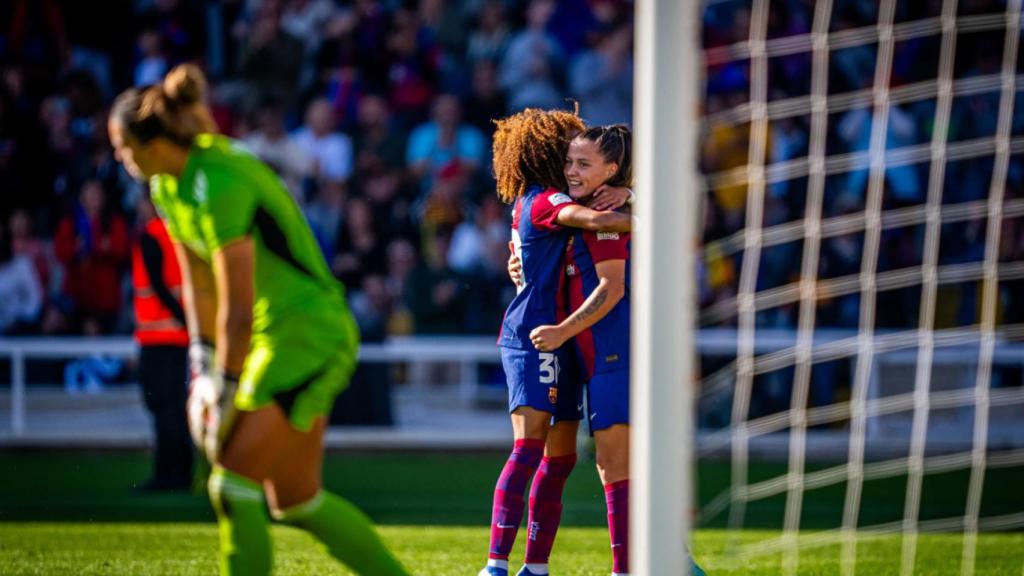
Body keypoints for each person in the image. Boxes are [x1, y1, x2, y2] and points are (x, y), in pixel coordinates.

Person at [109, 64, 408, 576]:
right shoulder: (167, 188)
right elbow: (199, 286)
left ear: (150, 142)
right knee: (295, 499)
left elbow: (238, 306)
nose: (119, 157)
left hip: (306, 333)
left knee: (230, 483)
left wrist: (223, 385)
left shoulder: (219, 179)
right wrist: (202, 372)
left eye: (122, 145)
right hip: (284, 336)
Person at [524, 126, 706, 576]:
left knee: (614, 461)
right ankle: (668, 558)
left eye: (583, 164)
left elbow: (611, 288)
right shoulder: (578, 211)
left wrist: (563, 331)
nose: (571, 171)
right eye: (569, 162)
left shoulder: (612, 212)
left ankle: (641, 565)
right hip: (594, 355)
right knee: (616, 463)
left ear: (612, 170)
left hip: (613, 352)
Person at [479, 108, 631, 576]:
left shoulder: (535, 204)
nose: (571, 162)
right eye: (566, 152)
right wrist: (641, 210)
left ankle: (536, 568)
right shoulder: (543, 199)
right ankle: (495, 565)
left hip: (562, 340)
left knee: (560, 458)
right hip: (536, 335)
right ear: (544, 152)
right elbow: (589, 220)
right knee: (530, 448)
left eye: (580, 158)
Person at [133, 193, 193, 491]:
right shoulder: (179, 235)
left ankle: (168, 474)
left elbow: (157, 287)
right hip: (178, 337)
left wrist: (182, 318)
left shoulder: (151, 236)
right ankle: (181, 471)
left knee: (161, 405)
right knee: (174, 405)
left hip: (157, 337)